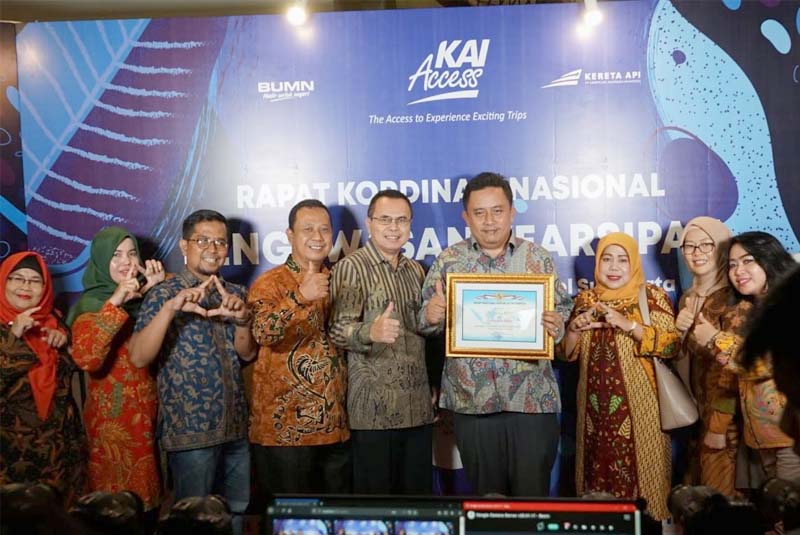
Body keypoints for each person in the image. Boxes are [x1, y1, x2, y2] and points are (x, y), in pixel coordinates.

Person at [418, 172, 572, 496]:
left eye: (497, 211)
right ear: (466, 217)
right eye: (479, 212)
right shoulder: (449, 261)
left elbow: (563, 311)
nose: (489, 221)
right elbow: (425, 321)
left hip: (532, 402)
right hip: (473, 403)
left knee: (531, 502)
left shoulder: (537, 258)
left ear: (512, 212)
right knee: (487, 504)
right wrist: (431, 316)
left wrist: (557, 326)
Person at [129, 210, 257, 535]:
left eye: (220, 242)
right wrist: (171, 308)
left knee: (237, 514)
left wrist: (243, 320)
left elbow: (247, 354)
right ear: (184, 246)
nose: (213, 249)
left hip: (235, 429)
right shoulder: (163, 293)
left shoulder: (236, 293)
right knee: (193, 522)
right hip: (190, 434)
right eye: (202, 240)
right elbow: (139, 356)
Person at [561, 232, 679, 520]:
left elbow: (671, 345)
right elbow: (566, 354)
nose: (614, 267)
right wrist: (573, 330)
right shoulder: (586, 300)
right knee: (597, 494)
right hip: (594, 418)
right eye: (607, 259)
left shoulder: (650, 297)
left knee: (646, 490)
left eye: (622, 260)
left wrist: (629, 325)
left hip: (642, 413)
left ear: (634, 263)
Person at [330, 190, 434, 494]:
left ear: (410, 225)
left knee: (417, 508)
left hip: (417, 409)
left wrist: (435, 318)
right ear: (369, 223)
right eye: (385, 219)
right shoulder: (351, 267)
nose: (393, 227)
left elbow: (422, 331)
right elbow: (336, 330)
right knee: (376, 507)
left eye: (401, 220)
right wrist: (369, 333)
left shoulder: (415, 270)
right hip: (373, 413)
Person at [247, 199, 350, 495]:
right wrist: (300, 297)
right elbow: (262, 332)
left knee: (336, 518)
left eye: (324, 229)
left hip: (335, 428)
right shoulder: (270, 283)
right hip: (285, 433)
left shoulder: (339, 279)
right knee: (290, 517)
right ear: (290, 235)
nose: (317, 237)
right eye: (308, 229)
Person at [68, 227, 165, 527]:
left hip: (154, 421)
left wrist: (155, 292)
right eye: (116, 255)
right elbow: (88, 358)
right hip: (115, 431)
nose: (126, 261)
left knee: (153, 511)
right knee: (116, 515)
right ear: (100, 260)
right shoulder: (90, 306)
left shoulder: (143, 299)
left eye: (132, 253)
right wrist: (115, 301)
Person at [0, 251, 86, 505]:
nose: (26, 286)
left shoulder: (55, 322)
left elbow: (78, 369)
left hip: (59, 453)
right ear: (4, 281)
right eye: (17, 278)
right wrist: (14, 335)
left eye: (35, 281)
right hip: (11, 455)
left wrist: (65, 345)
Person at [715, 231, 800, 482]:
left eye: (747, 261)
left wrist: (714, 339)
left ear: (770, 259)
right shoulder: (750, 310)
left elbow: (769, 364)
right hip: (761, 437)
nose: (738, 271)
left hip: (791, 435)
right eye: (732, 264)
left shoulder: (790, 305)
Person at [675, 217, 740, 495]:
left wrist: (719, 427)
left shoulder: (734, 297)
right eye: (689, 246)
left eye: (706, 245)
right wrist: (679, 334)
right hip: (697, 418)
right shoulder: (688, 297)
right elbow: (685, 360)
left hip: (726, 424)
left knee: (722, 501)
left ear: (723, 248)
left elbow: (734, 368)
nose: (697, 252)